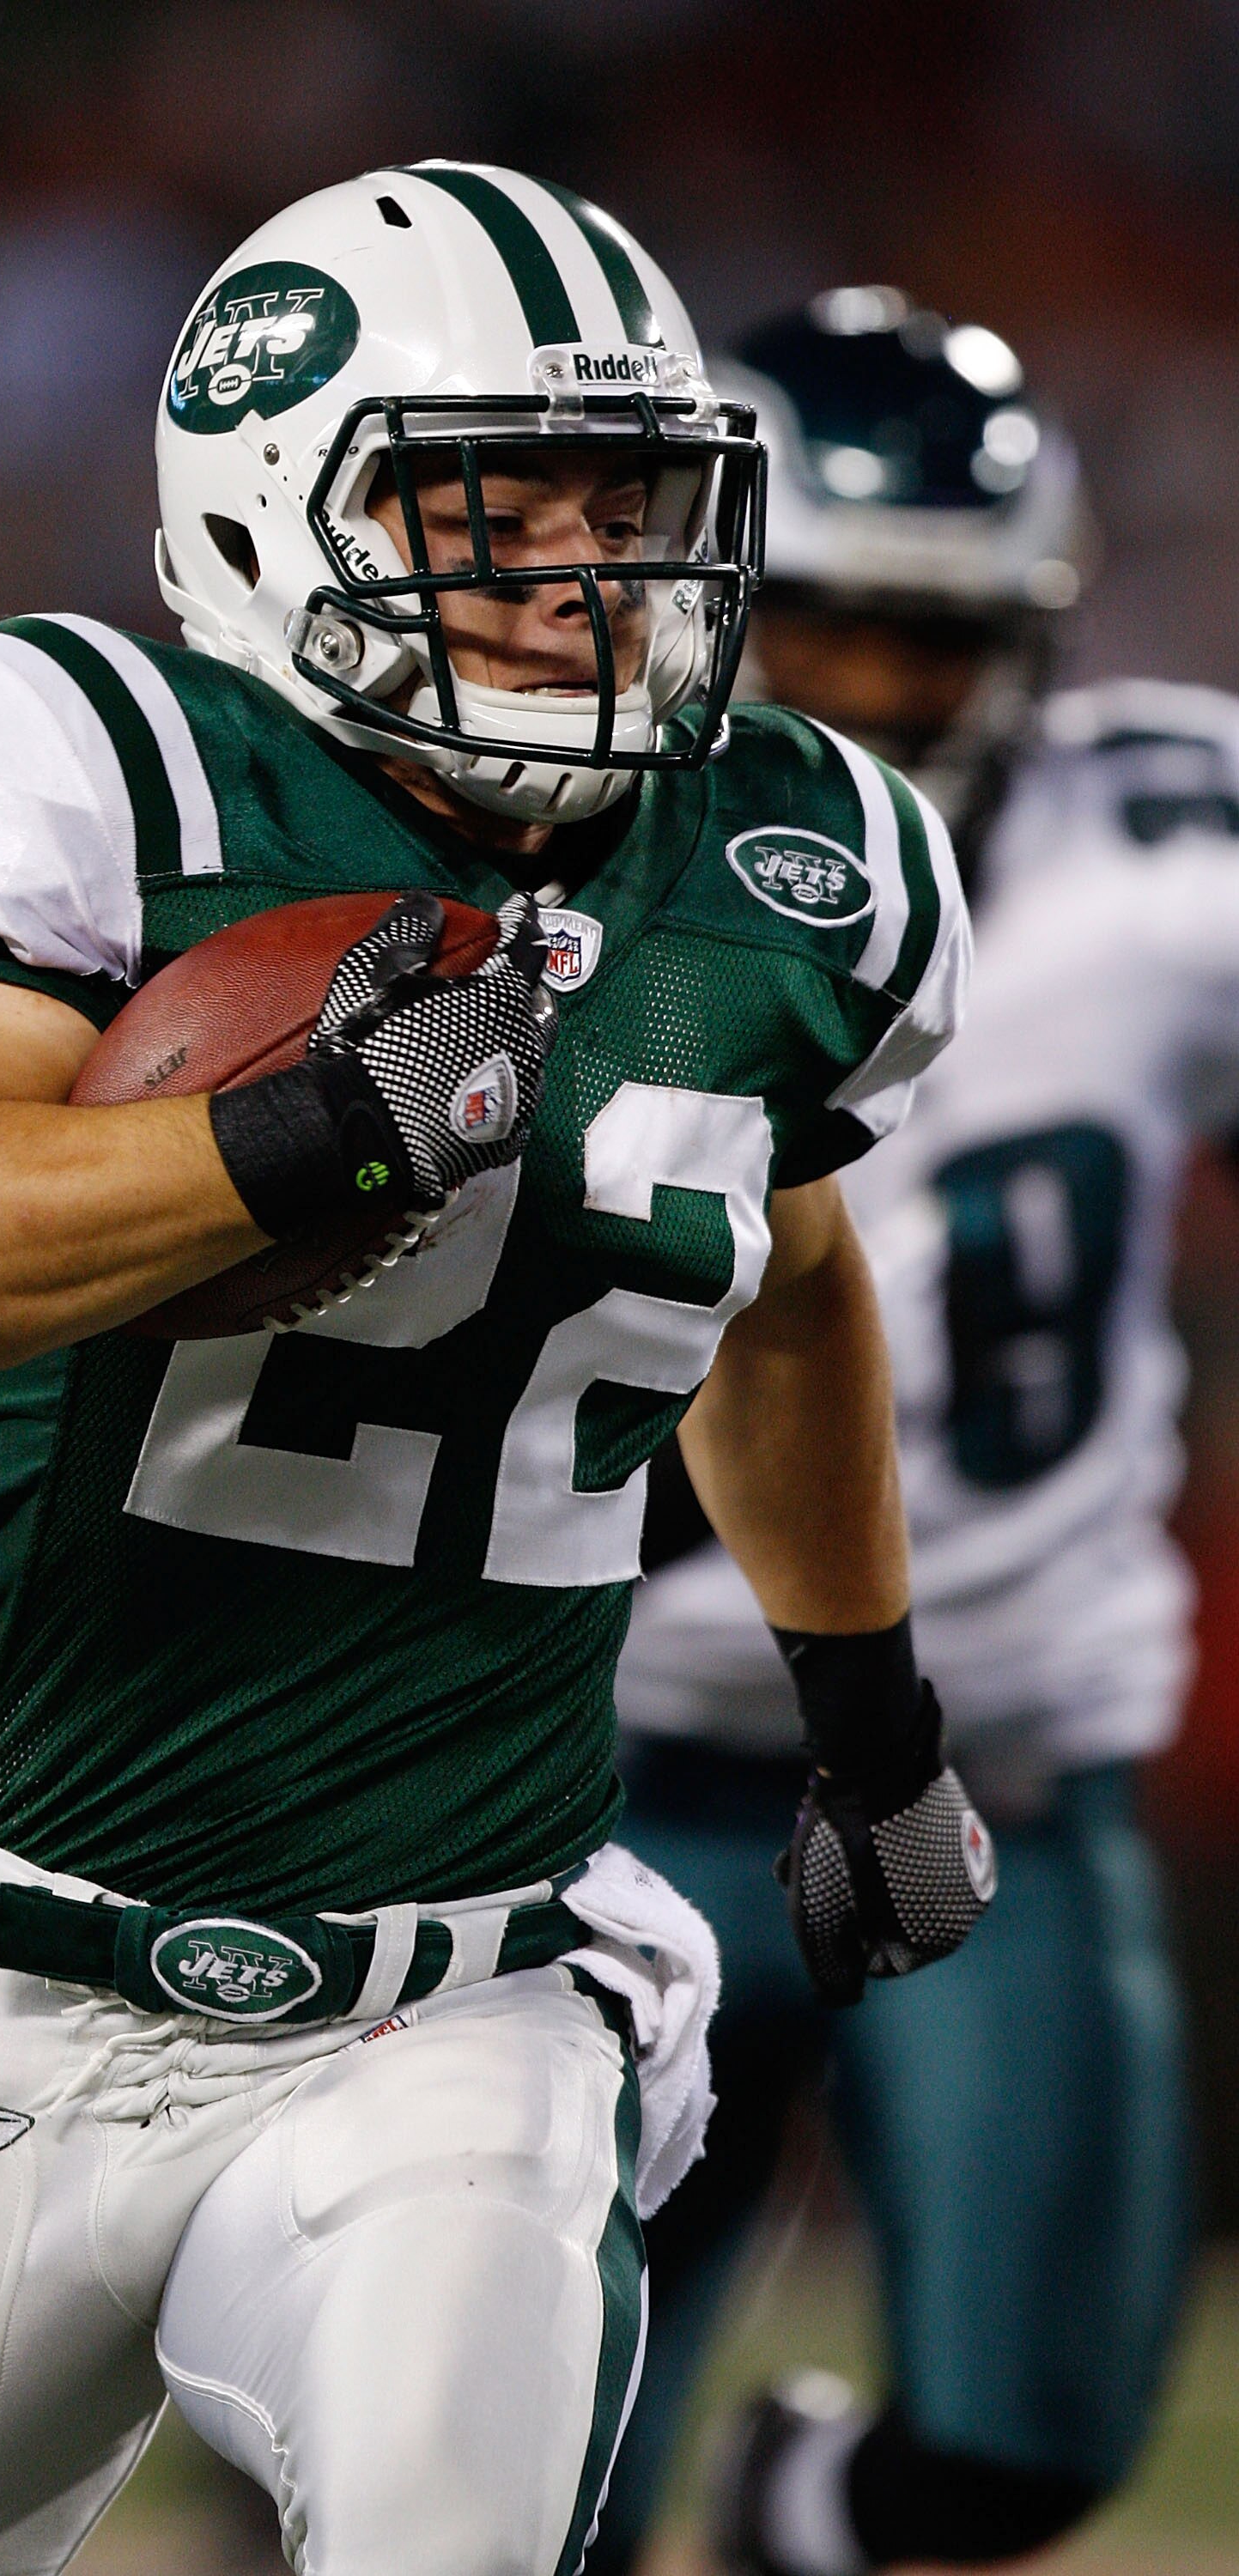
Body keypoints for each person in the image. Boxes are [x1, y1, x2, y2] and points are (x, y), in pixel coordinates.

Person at [0, 169, 981, 2576]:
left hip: (460, 2002)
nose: (592, 573)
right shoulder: (103, 763)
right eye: (496, 506)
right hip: (5, 1976)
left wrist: (874, 1721)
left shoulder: (807, 864)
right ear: (279, 508)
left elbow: (777, 1279)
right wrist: (300, 1133)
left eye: (637, 502)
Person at [592, 289, 1215, 2576]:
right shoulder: (561, 853)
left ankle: (801, 2520)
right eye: (830, 632)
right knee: (498, 2464)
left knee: (1025, 2451)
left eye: (936, 643)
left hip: (1000, 1774)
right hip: (599, 1762)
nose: (874, 700)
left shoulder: (1167, 850)